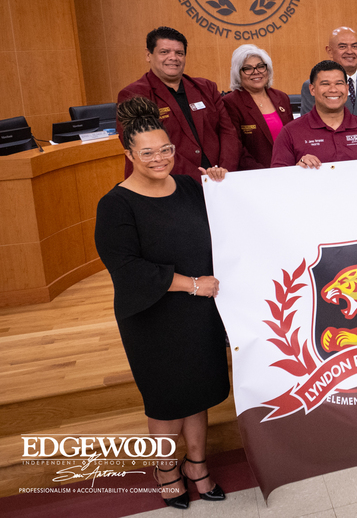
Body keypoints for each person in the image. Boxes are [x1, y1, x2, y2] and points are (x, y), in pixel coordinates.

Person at [94, 96, 230, 509]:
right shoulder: (116, 204)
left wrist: (224, 186)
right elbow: (127, 267)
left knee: (198, 393)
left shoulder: (190, 187)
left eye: (166, 149)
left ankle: (197, 465)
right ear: (129, 155)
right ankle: (166, 469)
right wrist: (191, 285)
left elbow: (225, 226)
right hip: (153, 316)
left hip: (200, 310)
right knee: (167, 398)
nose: (159, 158)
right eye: (148, 152)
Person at [117, 26, 240, 179]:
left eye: (179, 53)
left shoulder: (207, 88)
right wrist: (200, 178)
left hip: (218, 181)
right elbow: (144, 149)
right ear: (148, 55)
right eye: (164, 52)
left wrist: (223, 171)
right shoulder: (134, 95)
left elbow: (228, 132)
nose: (173, 57)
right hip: (167, 184)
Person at [272, 61, 357, 168]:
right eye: (325, 84)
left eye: (339, 83)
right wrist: (297, 169)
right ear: (312, 89)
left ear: (347, 88)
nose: (333, 89)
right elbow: (277, 180)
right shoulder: (290, 132)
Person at [299, 27, 357, 148]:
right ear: (330, 51)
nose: (350, 51)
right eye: (342, 46)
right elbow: (308, 128)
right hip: (331, 159)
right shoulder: (314, 86)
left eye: (354, 46)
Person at [222, 45, 293, 169]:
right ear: (238, 73)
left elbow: (294, 137)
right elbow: (235, 148)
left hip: (288, 170)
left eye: (261, 66)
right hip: (254, 175)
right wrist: (264, 172)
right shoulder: (230, 103)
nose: (256, 72)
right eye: (248, 68)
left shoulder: (282, 98)